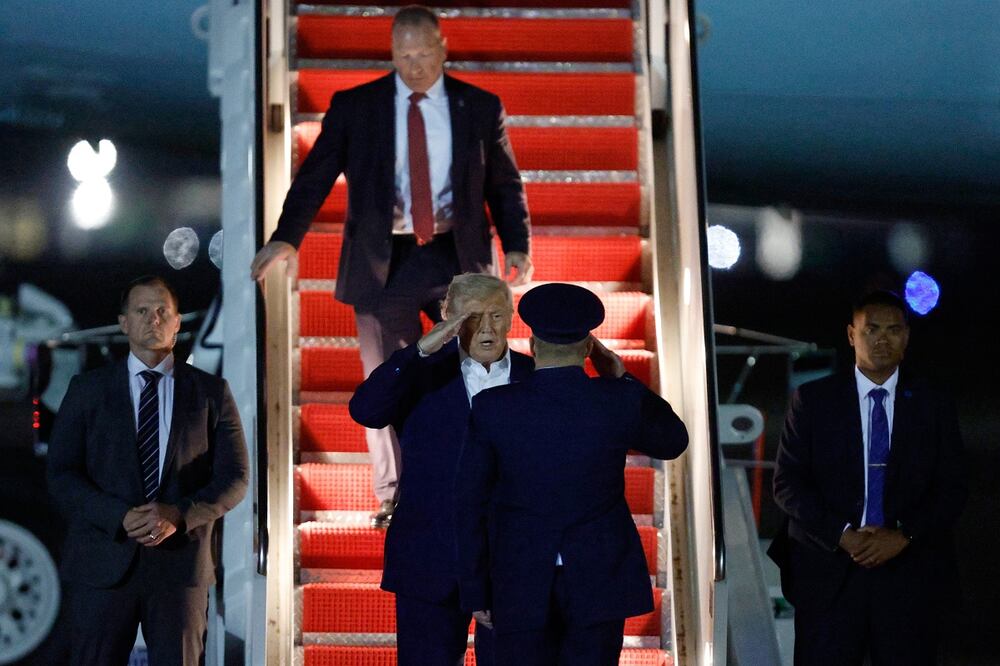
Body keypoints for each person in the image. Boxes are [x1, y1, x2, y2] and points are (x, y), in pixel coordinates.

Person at [250, 5, 532, 527]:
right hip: (386, 261)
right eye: (404, 56)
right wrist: (287, 239)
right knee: (388, 377)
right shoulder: (357, 107)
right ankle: (397, 494)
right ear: (392, 54)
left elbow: (504, 184)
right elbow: (314, 177)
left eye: (424, 54)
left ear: (444, 48)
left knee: (480, 364)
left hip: (457, 254)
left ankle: (491, 478)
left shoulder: (480, 106)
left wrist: (516, 243)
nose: (415, 66)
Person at [455, 283, 688, 666]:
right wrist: (623, 377)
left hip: (517, 577)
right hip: (599, 578)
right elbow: (673, 440)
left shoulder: (493, 408)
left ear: (532, 344)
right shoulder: (617, 400)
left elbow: (468, 504)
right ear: (587, 348)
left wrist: (476, 589)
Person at [47, 276, 249, 665]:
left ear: (176, 323)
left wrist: (180, 514)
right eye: (142, 311)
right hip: (102, 564)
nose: (153, 319)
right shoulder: (87, 389)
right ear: (124, 322)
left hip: (181, 567)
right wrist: (119, 517)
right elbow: (61, 474)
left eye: (163, 312)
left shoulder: (211, 392)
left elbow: (235, 476)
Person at [769, 290, 966, 665]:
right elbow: (788, 483)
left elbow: (953, 486)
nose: (882, 339)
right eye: (871, 329)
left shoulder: (932, 403)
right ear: (850, 334)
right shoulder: (812, 401)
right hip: (829, 570)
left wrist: (904, 535)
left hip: (908, 571)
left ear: (906, 337)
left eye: (893, 330)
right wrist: (843, 535)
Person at [349, 273, 533, 666]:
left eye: (497, 316)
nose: (486, 329)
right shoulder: (420, 374)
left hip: (511, 570)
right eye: (471, 317)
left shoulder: (533, 378)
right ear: (447, 316)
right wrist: (420, 350)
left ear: (512, 316)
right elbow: (365, 410)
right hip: (429, 562)